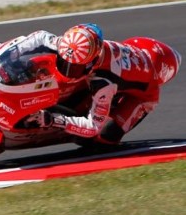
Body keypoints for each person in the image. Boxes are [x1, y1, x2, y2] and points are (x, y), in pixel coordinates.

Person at [10, 23, 180, 143]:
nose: (67, 70)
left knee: (102, 139)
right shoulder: (73, 45)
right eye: (63, 62)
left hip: (144, 93)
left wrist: (52, 120)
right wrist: (13, 50)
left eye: (74, 68)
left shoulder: (103, 81)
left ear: (92, 63)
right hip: (130, 53)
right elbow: (40, 37)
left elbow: (93, 126)